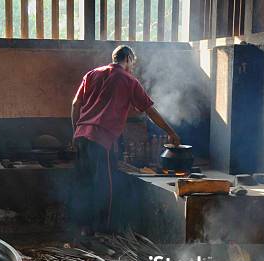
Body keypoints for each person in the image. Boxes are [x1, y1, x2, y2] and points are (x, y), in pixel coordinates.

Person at [71, 45, 181, 235]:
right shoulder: (129, 80)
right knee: (106, 186)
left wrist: (76, 131)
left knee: (84, 184)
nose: (133, 67)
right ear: (128, 58)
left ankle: (83, 230)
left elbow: (75, 104)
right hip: (101, 139)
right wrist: (171, 132)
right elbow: (149, 110)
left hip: (81, 136)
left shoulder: (92, 74)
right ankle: (102, 233)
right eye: (133, 63)